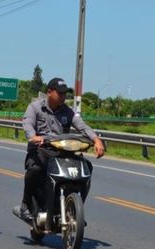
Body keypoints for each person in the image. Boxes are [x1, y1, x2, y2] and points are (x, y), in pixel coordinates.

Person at [18, 77, 105, 228]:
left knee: (86, 168)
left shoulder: (68, 111)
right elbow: (28, 125)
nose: (63, 97)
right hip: (41, 150)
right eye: (60, 93)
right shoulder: (35, 107)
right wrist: (33, 137)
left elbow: (82, 126)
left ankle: (75, 210)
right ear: (49, 92)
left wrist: (96, 140)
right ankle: (25, 205)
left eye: (65, 94)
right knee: (35, 170)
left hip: (62, 151)